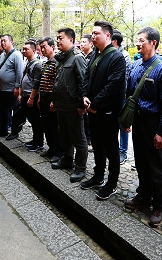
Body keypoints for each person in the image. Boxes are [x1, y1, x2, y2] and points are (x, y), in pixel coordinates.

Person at [123, 26, 162, 227]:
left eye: (142, 40)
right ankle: (143, 196)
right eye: (137, 40)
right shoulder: (136, 65)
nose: (138, 43)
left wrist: (161, 132)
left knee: (155, 165)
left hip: (153, 123)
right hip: (138, 121)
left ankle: (159, 205)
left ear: (153, 43)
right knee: (140, 161)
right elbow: (130, 93)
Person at [81, 21, 126, 200]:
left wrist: (94, 105)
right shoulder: (94, 54)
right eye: (92, 33)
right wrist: (85, 96)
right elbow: (86, 77)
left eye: (96, 33)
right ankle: (98, 175)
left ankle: (111, 183)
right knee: (97, 145)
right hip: (92, 109)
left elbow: (113, 86)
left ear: (107, 35)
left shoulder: (116, 57)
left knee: (111, 148)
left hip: (108, 112)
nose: (93, 36)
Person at [51, 28, 88, 183]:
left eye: (61, 38)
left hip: (73, 106)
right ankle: (67, 159)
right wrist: (54, 100)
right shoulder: (61, 58)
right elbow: (58, 81)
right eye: (57, 38)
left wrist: (81, 105)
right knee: (64, 135)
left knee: (78, 138)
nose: (58, 41)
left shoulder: (77, 57)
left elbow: (83, 82)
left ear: (71, 40)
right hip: (62, 105)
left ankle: (80, 167)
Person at [8, 41, 43, 146]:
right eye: (23, 49)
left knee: (35, 120)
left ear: (33, 50)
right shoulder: (26, 62)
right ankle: (19, 133)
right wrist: (20, 94)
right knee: (22, 116)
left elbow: (36, 83)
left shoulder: (37, 64)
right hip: (24, 96)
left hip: (32, 97)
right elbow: (23, 79)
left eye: (26, 49)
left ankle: (38, 142)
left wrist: (31, 98)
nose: (23, 51)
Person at [38, 37, 64, 163]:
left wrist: (54, 100)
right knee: (46, 125)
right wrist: (39, 97)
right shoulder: (45, 62)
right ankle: (51, 148)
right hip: (43, 96)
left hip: (51, 97)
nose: (42, 49)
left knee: (54, 125)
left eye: (44, 47)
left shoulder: (57, 62)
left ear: (52, 47)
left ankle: (59, 151)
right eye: (41, 47)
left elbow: (57, 83)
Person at [0, 34, 24, 138]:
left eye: (5, 41)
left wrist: (17, 87)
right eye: (1, 41)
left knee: (14, 112)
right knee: (3, 111)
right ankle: (3, 130)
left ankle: (14, 132)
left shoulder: (17, 55)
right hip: (2, 89)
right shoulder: (2, 55)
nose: (2, 43)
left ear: (11, 42)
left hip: (12, 89)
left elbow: (19, 72)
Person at [111, 29, 132, 165]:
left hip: (122, 96)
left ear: (114, 41)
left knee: (123, 125)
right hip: (112, 97)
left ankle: (123, 151)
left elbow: (125, 78)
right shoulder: (109, 54)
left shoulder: (124, 55)